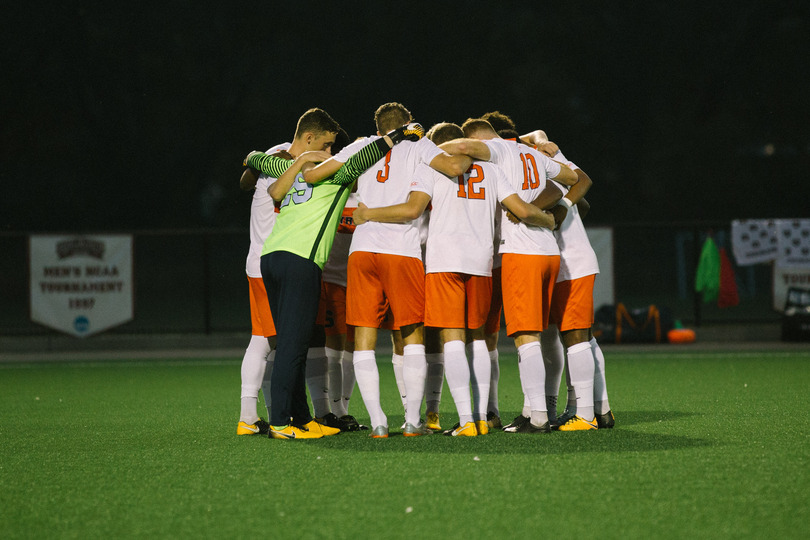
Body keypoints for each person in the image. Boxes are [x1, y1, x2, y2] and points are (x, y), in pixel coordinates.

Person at [354, 122, 556, 437]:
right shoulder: (491, 170)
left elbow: (413, 208)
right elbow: (519, 208)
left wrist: (369, 214)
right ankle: (483, 417)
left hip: (443, 262)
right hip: (482, 262)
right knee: (479, 341)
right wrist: (547, 219)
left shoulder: (430, 168)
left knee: (453, 342)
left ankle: (466, 422)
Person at [243, 108, 423, 439]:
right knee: (294, 347)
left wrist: (297, 160)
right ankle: (282, 423)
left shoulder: (296, 168)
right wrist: (398, 135)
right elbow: (366, 155)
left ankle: (300, 416)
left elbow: (257, 160)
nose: (329, 152)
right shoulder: (334, 174)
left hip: (272, 257)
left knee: (288, 343)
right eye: (327, 147)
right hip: (301, 259)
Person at [439, 118, 577, 433]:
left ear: (480, 141)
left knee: (524, 337)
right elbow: (570, 176)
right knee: (538, 336)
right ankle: (531, 411)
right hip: (548, 253)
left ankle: (538, 417)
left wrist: (424, 151)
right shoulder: (533, 154)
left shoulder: (495, 150)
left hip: (520, 252)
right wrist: (547, 207)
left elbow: (460, 146)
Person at [343, 103, 472, 438]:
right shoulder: (419, 145)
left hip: (362, 251)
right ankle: (413, 421)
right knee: (412, 337)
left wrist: (363, 213)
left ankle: (378, 423)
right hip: (400, 251)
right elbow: (452, 169)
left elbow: (321, 171)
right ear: (409, 125)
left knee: (364, 339)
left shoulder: (362, 147)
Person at [520, 130, 615, 430]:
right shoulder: (532, 155)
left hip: (570, 263)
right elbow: (582, 202)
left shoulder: (534, 156)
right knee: (575, 338)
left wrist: (558, 205)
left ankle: (585, 415)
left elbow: (581, 181)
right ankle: (598, 409)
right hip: (559, 262)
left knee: (576, 338)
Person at [235, 141, 291, 436]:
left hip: (260, 261)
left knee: (268, 340)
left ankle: (256, 415)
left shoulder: (274, 153)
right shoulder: (287, 158)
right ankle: (256, 415)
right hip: (270, 264)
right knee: (267, 341)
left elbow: (245, 181)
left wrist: (256, 160)